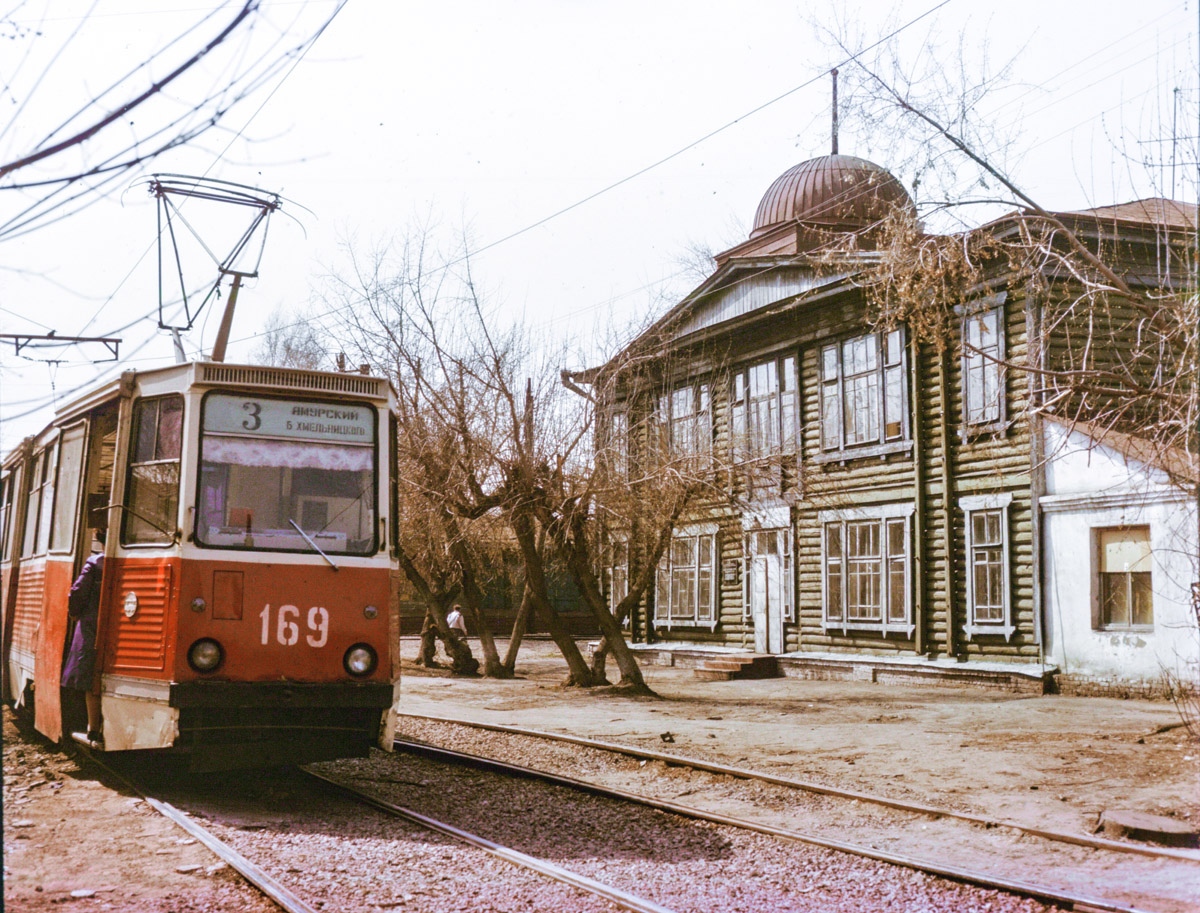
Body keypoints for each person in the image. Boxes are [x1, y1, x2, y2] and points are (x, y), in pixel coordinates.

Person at [61, 528, 106, 745]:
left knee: (90, 676)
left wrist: (74, 614)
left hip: (92, 626)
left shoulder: (95, 563)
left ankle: (93, 727)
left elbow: (77, 593)